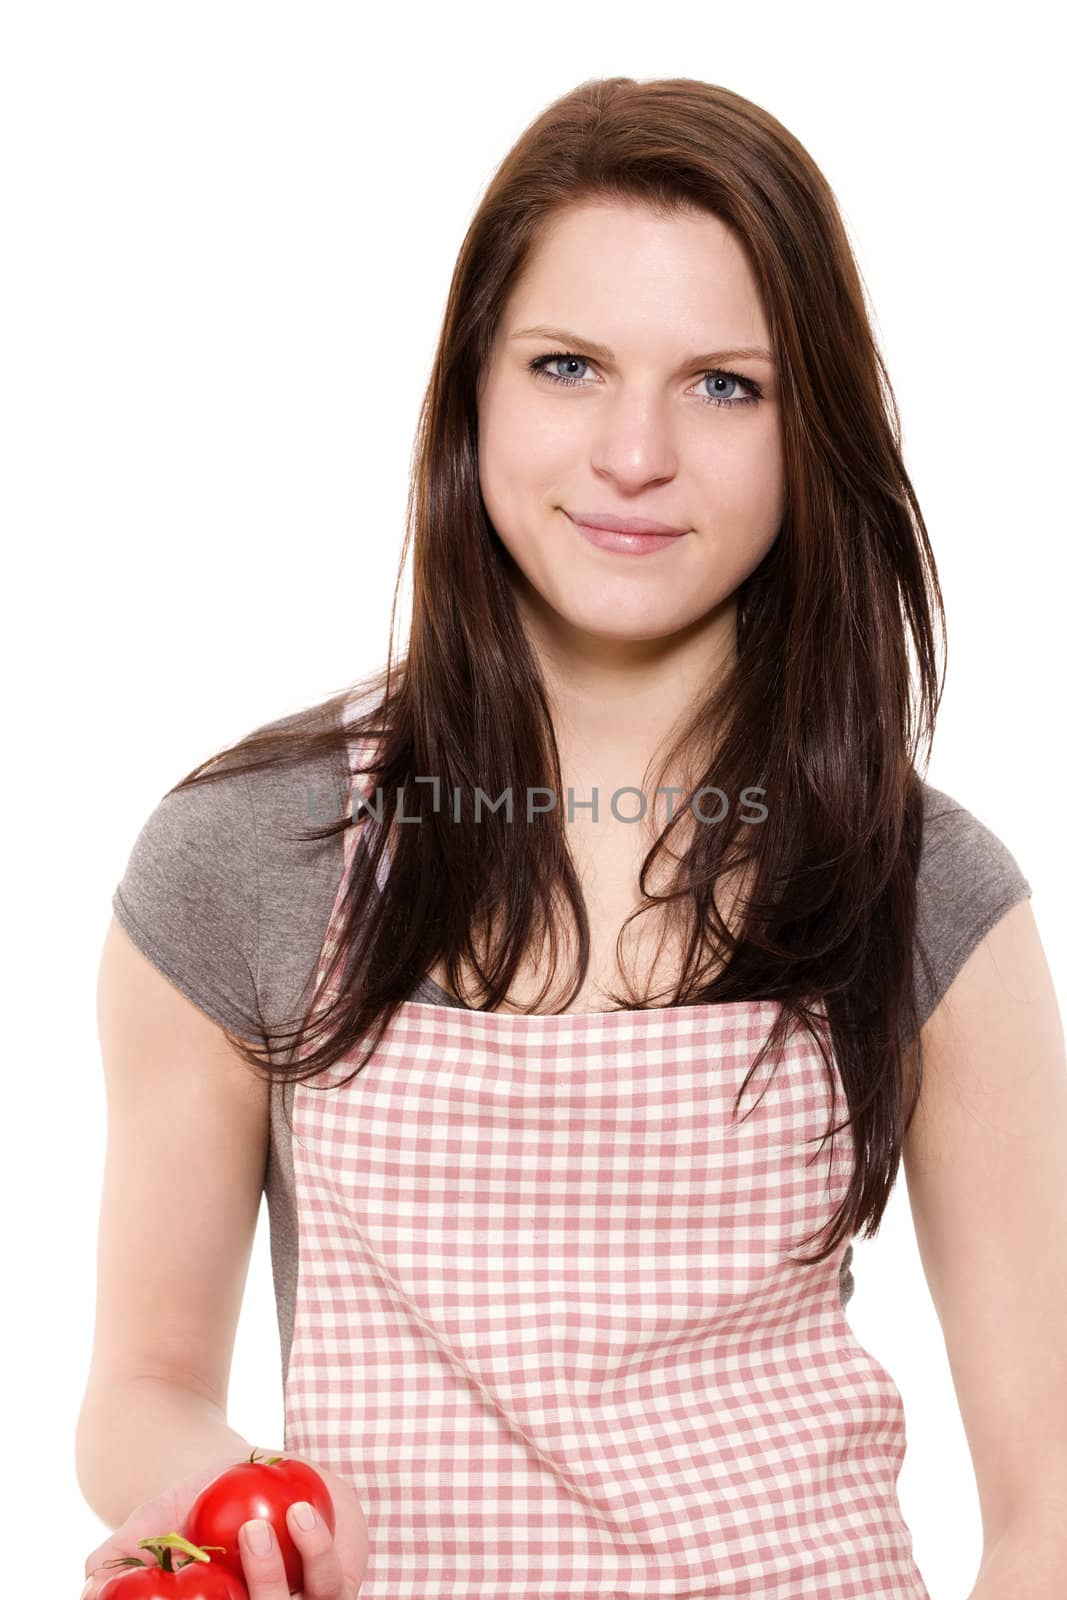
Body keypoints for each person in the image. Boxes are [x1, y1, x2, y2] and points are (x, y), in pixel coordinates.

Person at [77, 75, 1066, 1600]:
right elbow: (138, 1385)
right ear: (474, 393)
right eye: (569, 366)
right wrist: (236, 1518)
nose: (634, 454)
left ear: (819, 435)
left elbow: (1050, 1494)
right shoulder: (244, 857)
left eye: (725, 385)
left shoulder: (932, 893)